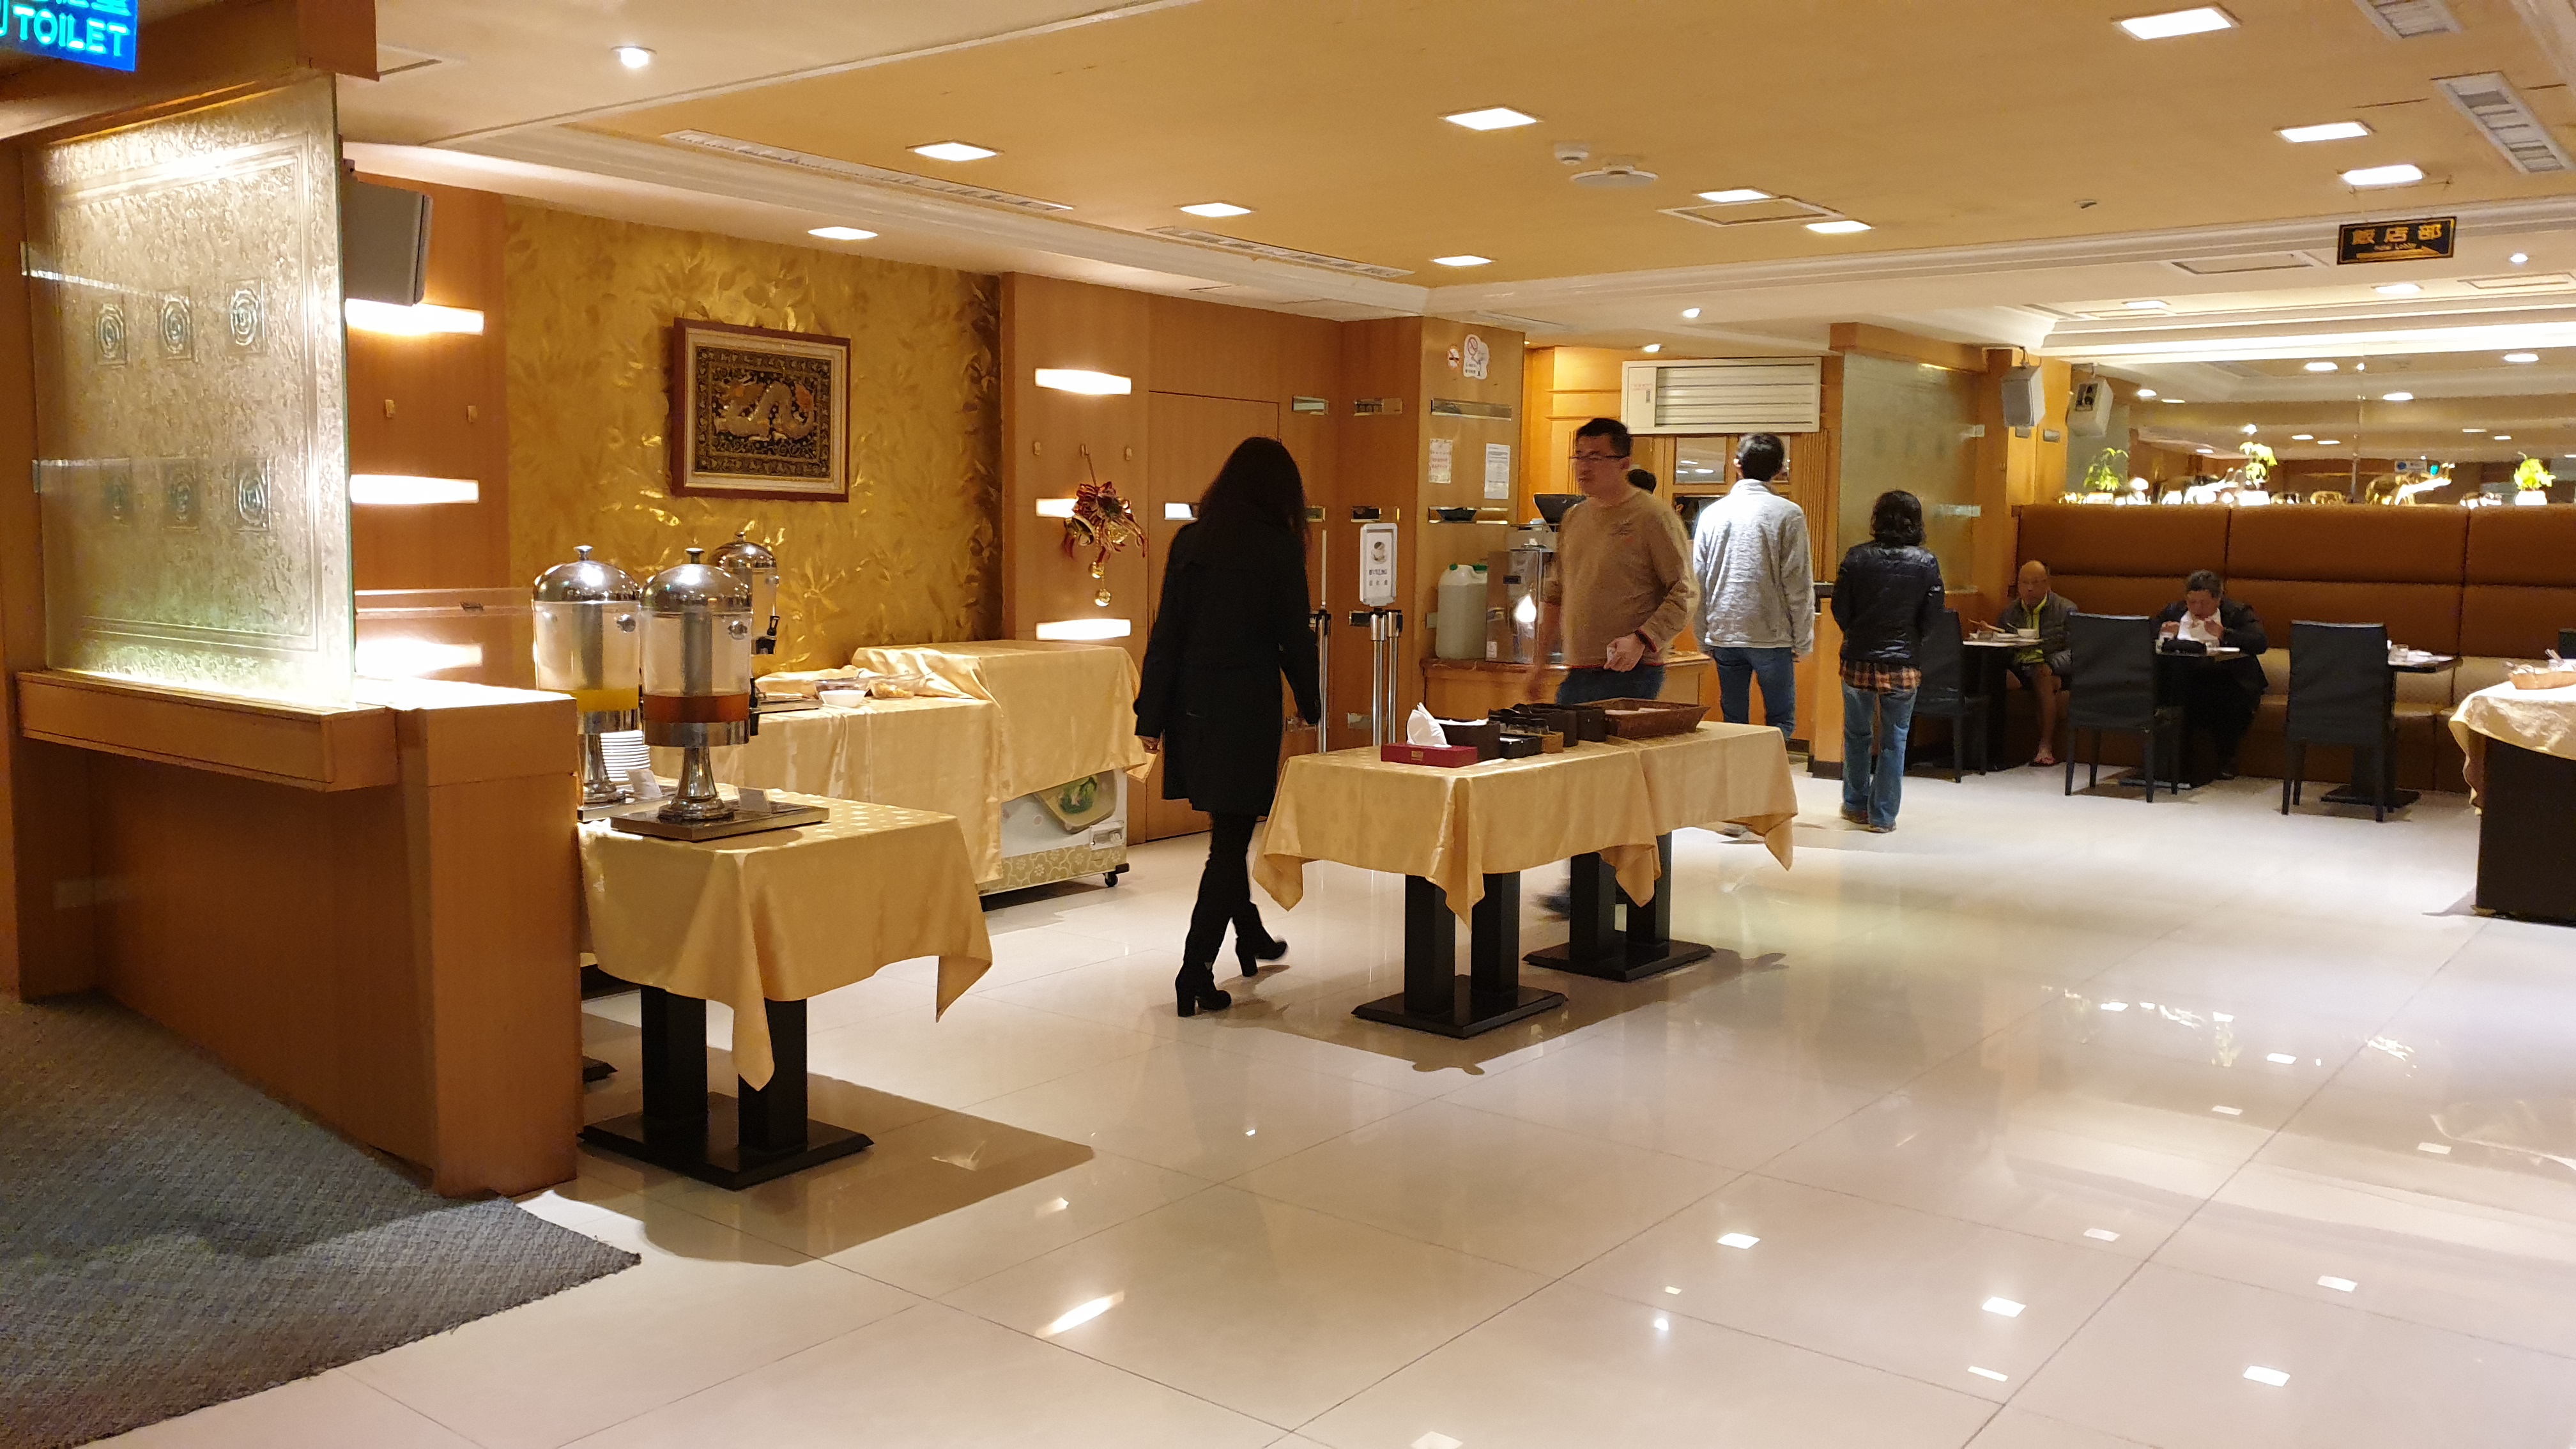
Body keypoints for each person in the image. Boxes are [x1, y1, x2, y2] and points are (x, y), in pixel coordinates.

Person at [1135, 437, 1322, 1017]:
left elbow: (1167, 634)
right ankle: (1194, 969)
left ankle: (1251, 935)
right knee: (1230, 842)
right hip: (1245, 707)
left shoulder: (1190, 542)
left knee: (1227, 830)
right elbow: (1293, 636)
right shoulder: (1277, 548)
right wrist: (1312, 702)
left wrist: (1150, 716)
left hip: (1192, 706)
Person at [1522, 418, 1697, 707]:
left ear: (1624, 464)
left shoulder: (1653, 516)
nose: (1584, 467)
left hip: (1632, 668)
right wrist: (1538, 664)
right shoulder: (1574, 518)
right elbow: (1555, 595)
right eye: (1579, 456)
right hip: (1578, 669)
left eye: (1595, 457)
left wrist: (1642, 639)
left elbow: (1684, 591)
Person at [1831, 490, 1943, 833]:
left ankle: (1855, 805)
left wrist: (1856, 633)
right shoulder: (1926, 562)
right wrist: (1912, 640)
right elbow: (1932, 616)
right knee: (1895, 740)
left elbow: (1840, 607)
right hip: (1903, 663)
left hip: (1858, 659)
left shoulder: (1856, 557)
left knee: (1857, 734)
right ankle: (1882, 816)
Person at [1689, 433, 1813, 740]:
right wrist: (1803, 639)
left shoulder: (1712, 514)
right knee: (1781, 721)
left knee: (1733, 723)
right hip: (1772, 634)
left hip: (1724, 631)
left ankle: (1739, 771)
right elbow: (1797, 582)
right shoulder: (1789, 514)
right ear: (1781, 470)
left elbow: (1699, 579)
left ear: (1737, 465)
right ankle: (1769, 772)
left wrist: (1702, 634)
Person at [2155, 568, 2268, 779]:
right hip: (2187, 678)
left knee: (2222, 698)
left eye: (2204, 603)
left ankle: (2225, 761)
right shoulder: (2174, 611)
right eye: (2192, 602)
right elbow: (2148, 633)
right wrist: (2162, 632)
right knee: (2170, 692)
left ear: (2218, 599)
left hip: (2231, 679)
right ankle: (2171, 766)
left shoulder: (2237, 612)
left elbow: (2260, 643)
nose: (2197, 609)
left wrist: (2224, 633)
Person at [1996, 560, 2075, 767]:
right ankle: (1992, 751)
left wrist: (2053, 664)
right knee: (1992, 675)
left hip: (2052, 670)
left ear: (2048, 584)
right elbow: (2003, 647)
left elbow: (2077, 651)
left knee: (2041, 674)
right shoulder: (2010, 612)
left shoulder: (2066, 610)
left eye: (2036, 583)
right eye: (2024, 583)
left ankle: (2045, 747)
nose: (2029, 588)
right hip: (2020, 666)